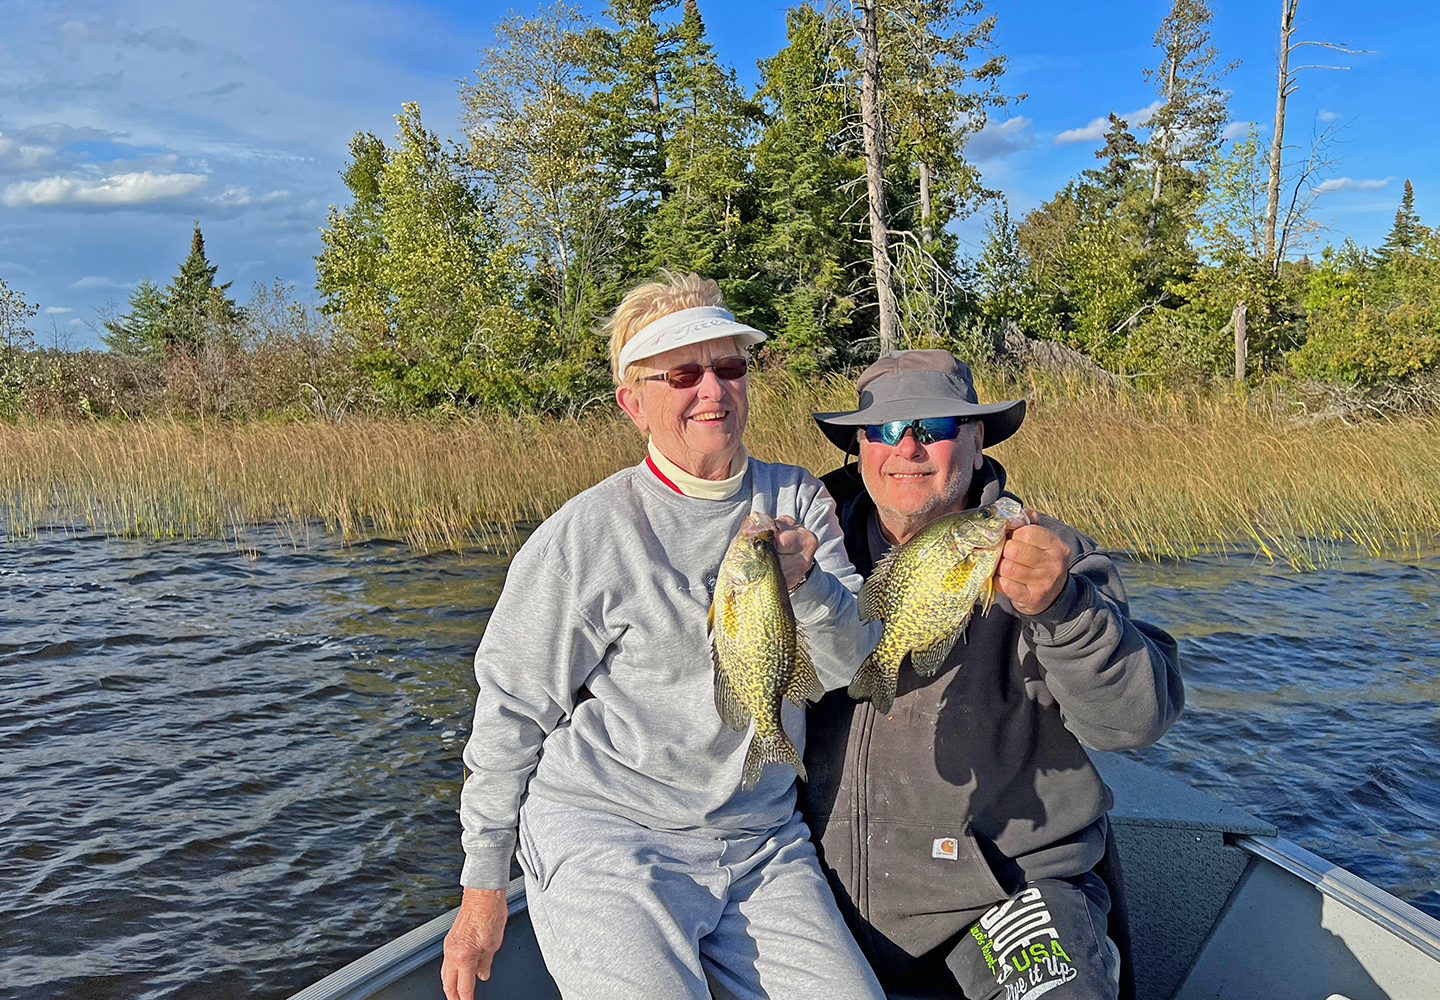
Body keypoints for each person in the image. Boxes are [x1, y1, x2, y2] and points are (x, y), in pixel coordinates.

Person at [440, 272, 886, 1000]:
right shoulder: (587, 535)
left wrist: (811, 588)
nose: (712, 389)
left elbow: (848, 665)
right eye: (683, 373)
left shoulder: (797, 497)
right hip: (606, 834)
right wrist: (483, 886)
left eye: (729, 367)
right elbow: (511, 711)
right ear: (634, 404)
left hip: (761, 840)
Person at [800, 349, 1184, 1000]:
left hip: (1001, 894)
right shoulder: (804, 553)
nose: (908, 448)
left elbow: (1134, 720)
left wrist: (1060, 607)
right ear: (860, 447)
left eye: (936, 428)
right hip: (817, 894)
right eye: (886, 429)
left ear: (977, 443)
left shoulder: (1046, 555)